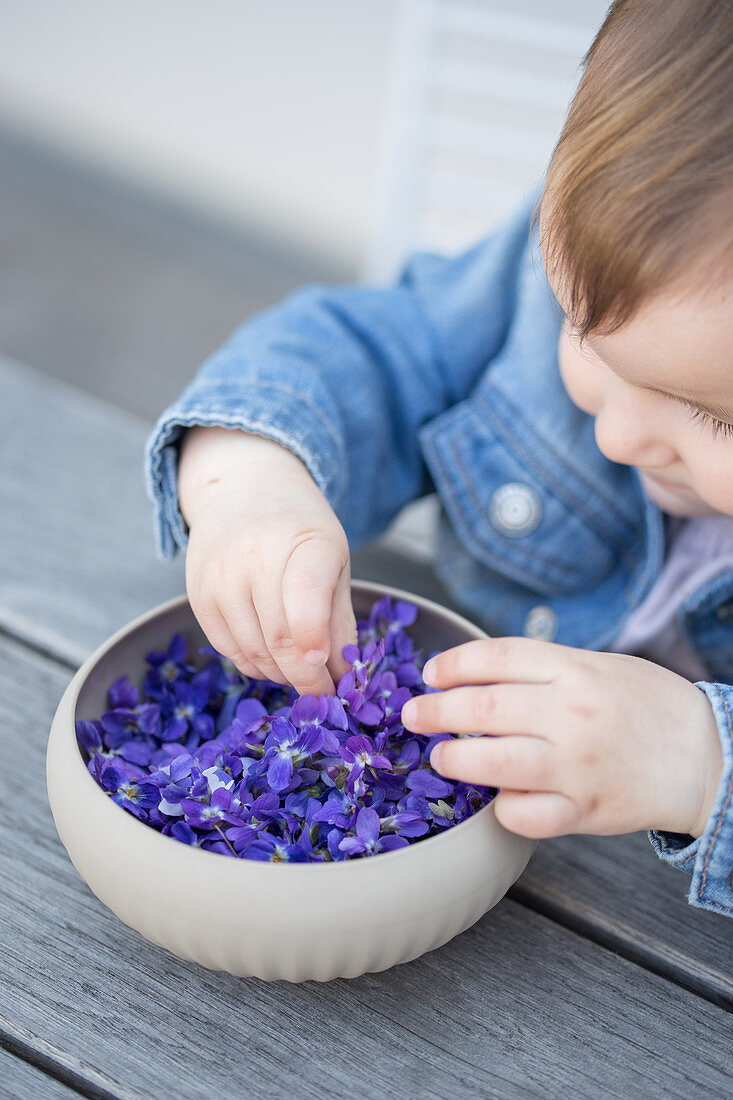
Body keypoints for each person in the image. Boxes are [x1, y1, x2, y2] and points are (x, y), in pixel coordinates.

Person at [144, 0, 733, 915]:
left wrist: (697, 760)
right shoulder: (580, 258)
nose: (618, 437)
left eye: (711, 417)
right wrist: (249, 476)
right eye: (583, 331)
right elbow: (378, 349)